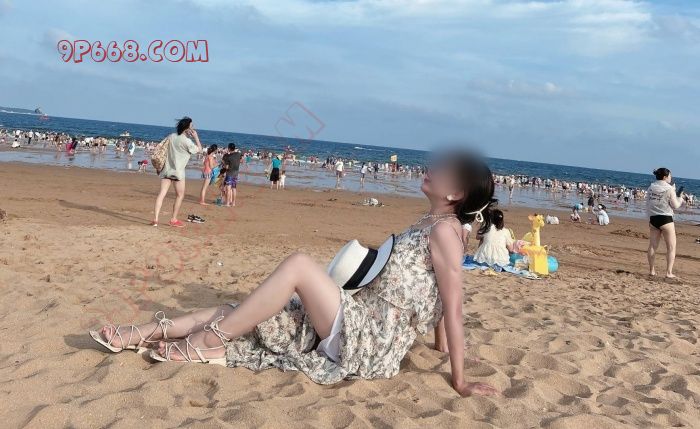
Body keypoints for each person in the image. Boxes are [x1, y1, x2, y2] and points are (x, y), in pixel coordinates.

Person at [89, 150, 499, 398]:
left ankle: (211, 341)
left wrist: (459, 379)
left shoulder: (445, 232)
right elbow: (433, 296)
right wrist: (439, 347)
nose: (434, 167)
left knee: (300, 265)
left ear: (455, 194)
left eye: (446, 170)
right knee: (245, 312)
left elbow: (452, 304)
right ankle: (138, 333)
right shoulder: (430, 222)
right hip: (355, 316)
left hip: (370, 338)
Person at [152, 117, 202, 228]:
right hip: (178, 172)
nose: (193, 128)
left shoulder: (171, 136)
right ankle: (173, 219)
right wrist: (196, 137)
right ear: (187, 128)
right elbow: (199, 150)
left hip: (166, 170)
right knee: (180, 195)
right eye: (192, 126)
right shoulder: (187, 141)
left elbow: (162, 148)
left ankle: (155, 219)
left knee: (162, 194)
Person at [646, 168, 685, 279]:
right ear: (665, 177)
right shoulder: (669, 188)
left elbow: (648, 203)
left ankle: (652, 270)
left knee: (653, 246)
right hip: (666, 219)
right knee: (671, 247)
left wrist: (649, 217)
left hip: (653, 218)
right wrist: (680, 198)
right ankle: (668, 272)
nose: (671, 178)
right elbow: (675, 205)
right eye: (670, 176)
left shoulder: (651, 187)